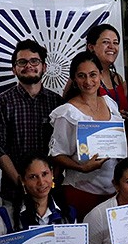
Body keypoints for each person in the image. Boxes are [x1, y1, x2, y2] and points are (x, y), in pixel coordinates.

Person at [0, 39, 63, 206]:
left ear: (44, 67)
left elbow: (63, 146)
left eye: (34, 61)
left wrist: (51, 180)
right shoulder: (1, 104)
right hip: (14, 190)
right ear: (14, 69)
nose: (28, 65)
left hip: (51, 189)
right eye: (22, 62)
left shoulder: (57, 103)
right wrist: (20, 181)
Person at [49, 51, 121, 221]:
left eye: (93, 75)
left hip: (113, 190)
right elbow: (56, 154)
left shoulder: (110, 103)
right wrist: (82, 167)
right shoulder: (67, 112)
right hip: (82, 191)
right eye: (81, 76)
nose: (88, 82)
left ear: (101, 75)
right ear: (74, 79)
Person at [86, 23, 128, 113]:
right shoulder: (83, 77)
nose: (112, 47)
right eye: (106, 42)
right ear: (91, 47)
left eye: (115, 43)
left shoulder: (118, 79)